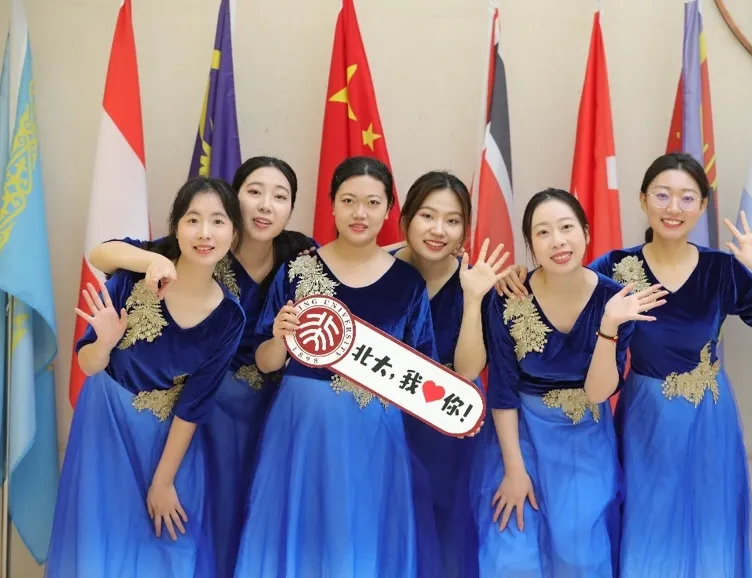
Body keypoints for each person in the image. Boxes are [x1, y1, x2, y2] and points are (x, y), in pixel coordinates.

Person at [498, 153, 752, 577]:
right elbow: (563, 285)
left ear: (702, 205)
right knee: (646, 531)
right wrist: (518, 275)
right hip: (644, 420)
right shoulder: (615, 267)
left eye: (686, 198)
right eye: (662, 195)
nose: (673, 207)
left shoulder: (721, 269)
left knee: (710, 530)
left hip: (707, 420)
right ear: (643, 200)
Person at [87, 157, 316, 577]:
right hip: (191, 410)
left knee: (245, 509)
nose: (265, 205)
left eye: (279, 196)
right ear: (234, 200)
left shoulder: (299, 261)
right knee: (191, 519)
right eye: (254, 192)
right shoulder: (200, 244)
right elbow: (103, 254)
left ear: (291, 208)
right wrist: (149, 262)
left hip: (258, 412)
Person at [233, 156, 442, 577]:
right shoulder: (298, 269)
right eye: (348, 200)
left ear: (389, 209)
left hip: (374, 435)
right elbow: (265, 361)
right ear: (331, 205)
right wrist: (280, 338)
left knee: (360, 537)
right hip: (301, 430)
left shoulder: (408, 283)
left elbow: (422, 372)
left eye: (372, 202)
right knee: (302, 534)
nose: (359, 213)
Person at [46, 177, 246, 578]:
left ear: (234, 234)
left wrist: (163, 481)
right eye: (193, 220)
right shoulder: (133, 277)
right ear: (176, 227)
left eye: (218, 221)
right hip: (105, 426)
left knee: (166, 552)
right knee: (99, 546)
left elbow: (195, 403)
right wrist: (105, 344)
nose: (204, 233)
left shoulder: (229, 316)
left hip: (167, 441)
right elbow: (89, 363)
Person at [473, 188, 666, 577]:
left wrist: (609, 325)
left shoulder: (615, 299)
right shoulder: (508, 297)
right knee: (512, 556)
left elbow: (598, 392)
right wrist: (514, 470)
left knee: (579, 556)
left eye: (566, 228)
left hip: (584, 441)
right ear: (531, 245)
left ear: (586, 233)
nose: (557, 241)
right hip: (520, 437)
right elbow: (503, 388)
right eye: (543, 232)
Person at [391, 170, 510, 577]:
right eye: (427, 216)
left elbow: (469, 369)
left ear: (464, 230)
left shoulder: (475, 280)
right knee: (393, 520)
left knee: (448, 529)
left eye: (453, 220)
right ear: (406, 219)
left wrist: (474, 298)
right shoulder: (380, 269)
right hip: (388, 419)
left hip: (450, 422)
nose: (438, 230)